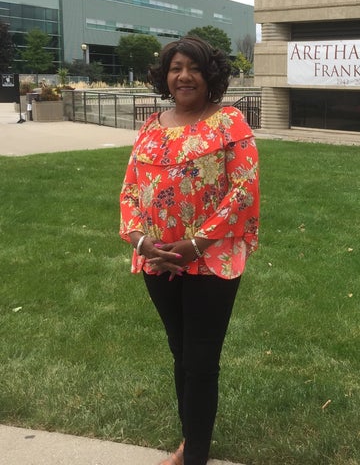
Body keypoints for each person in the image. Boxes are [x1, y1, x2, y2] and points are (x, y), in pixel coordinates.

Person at [119, 35, 260, 465]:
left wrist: (195, 244)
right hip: (158, 260)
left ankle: (193, 454)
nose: (184, 76)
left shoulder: (229, 122)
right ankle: (190, 438)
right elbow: (130, 191)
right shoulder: (150, 127)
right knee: (179, 351)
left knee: (200, 359)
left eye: (194, 68)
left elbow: (243, 190)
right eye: (176, 67)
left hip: (210, 261)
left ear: (209, 75)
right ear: (165, 76)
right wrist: (143, 242)